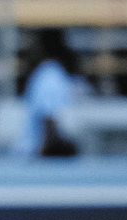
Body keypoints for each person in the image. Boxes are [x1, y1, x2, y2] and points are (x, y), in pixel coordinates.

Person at [16, 28, 86, 158]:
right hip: (35, 155)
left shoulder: (49, 73)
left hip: (39, 155)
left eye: (33, 43)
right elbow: (49, 120)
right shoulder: (50, 74)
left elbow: (50, 120)